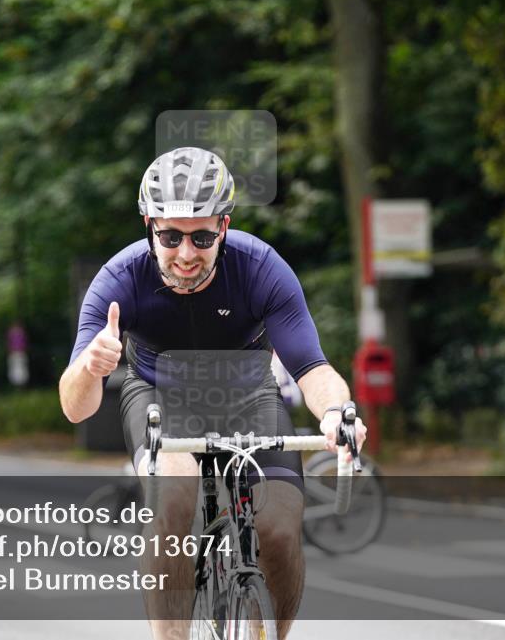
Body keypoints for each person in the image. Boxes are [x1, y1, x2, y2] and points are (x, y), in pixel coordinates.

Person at [59, 146, 365, 640]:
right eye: (170, 236)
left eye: (202, 236)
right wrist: (89, 370)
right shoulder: (119, 279)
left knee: (280, 533)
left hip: (248, 396)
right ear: (148, 225)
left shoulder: (260, 268)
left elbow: (312, 368)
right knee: (174, 496)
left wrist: (335, 413)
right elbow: (76, 409)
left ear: (223, 226)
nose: (185, 253)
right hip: (162, 398)